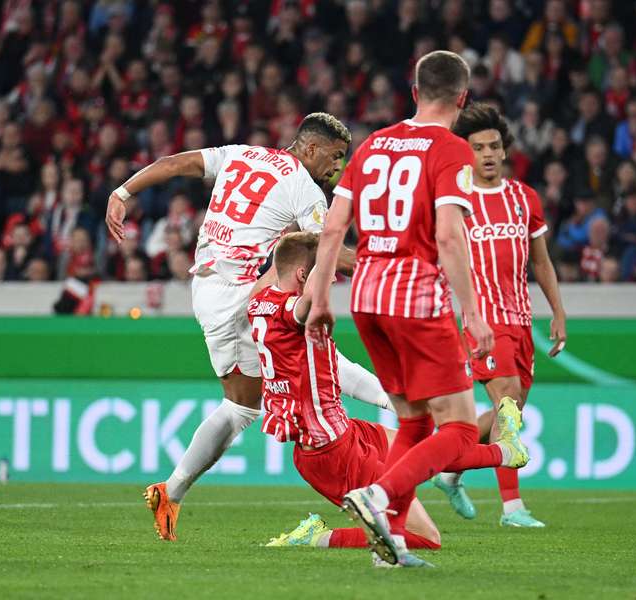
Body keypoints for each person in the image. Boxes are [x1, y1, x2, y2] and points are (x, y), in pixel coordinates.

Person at [104, 113, 385, 541]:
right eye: (336, 155)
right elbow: (328, 250)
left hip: (214, 287)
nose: (338, 166)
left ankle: (172, 491)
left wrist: (123, 192)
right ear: (310, 147)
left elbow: (176, 163)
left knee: (264, 390)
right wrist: (388, 265)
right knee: (264, 392)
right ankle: (402, 405)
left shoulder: (241, 154)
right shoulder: (304, 188)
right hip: (236, 295)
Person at [305, 51, 527, 568]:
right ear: (462, 99)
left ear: (413, 93)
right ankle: (379, 496)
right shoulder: (450, 151)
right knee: (458, 428)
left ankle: (392, 544)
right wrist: (473, 314)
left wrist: (319, 297)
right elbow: (448, 236)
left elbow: (335, 228)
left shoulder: (374, 144)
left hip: (366, 295)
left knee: (413, 422)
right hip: (416, 297)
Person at [254, 232, 524, 552]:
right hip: (329, 453)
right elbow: (309, 299)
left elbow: (285, 269)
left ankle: (507, 451)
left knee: (423, 448)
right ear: (303, 274)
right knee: (426, 538)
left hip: (346, 431)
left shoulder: (259, 301)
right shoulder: (293, 311)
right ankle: (316, 536)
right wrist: (330, 240)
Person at [428, 103, 566, 528]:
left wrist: (558, 312)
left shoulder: (526, 199)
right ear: (465, 153)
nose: (487, 154)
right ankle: (512, 509)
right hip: (482, 321)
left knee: (511, 411)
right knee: (507, 402)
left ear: (504, 151)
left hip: (522, 320)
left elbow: (540, 263)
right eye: (478, 147)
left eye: (494, 146)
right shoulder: (456, 200)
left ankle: (448, 465)